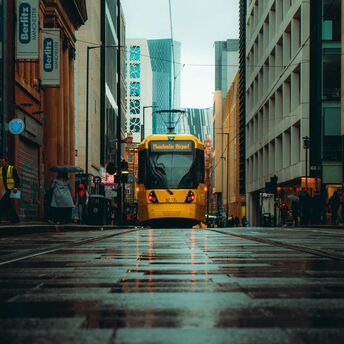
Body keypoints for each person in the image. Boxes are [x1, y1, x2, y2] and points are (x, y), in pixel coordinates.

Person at [0, 157, 20, 224]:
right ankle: (15, 219)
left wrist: (16, 187)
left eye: (3, 161)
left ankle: (14, 219)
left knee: (4, 203)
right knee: (7, 204)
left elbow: (17, 179)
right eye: (1, 162)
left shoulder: (12, 168)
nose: (1, 163)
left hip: (10, 189)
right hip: (2, 190)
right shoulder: (0, 169)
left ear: (6, 162)